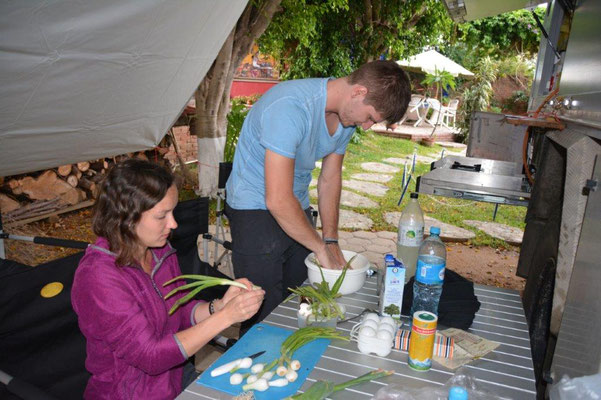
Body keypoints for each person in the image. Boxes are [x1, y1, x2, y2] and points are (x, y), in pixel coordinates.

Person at [225, 60, 411, 329]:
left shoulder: (346, 119)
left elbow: (330, 178)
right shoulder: (290, 107)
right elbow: (276, 199)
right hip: (253, 205)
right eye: (370, 117)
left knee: (301, 300)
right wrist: (320, 247)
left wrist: (330, 239)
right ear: (358, 92)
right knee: (263, 313)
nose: (367, 126)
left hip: (295, 203)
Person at [71, 159, 265, 399]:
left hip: (175, 379)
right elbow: (150, 356)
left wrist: (218, 307)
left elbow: (181, 312)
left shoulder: (159, 251)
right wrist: (227, 318)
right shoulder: (99, 278)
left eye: (173, 212)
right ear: (127, 217)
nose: (173, 224)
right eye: (162, 215)